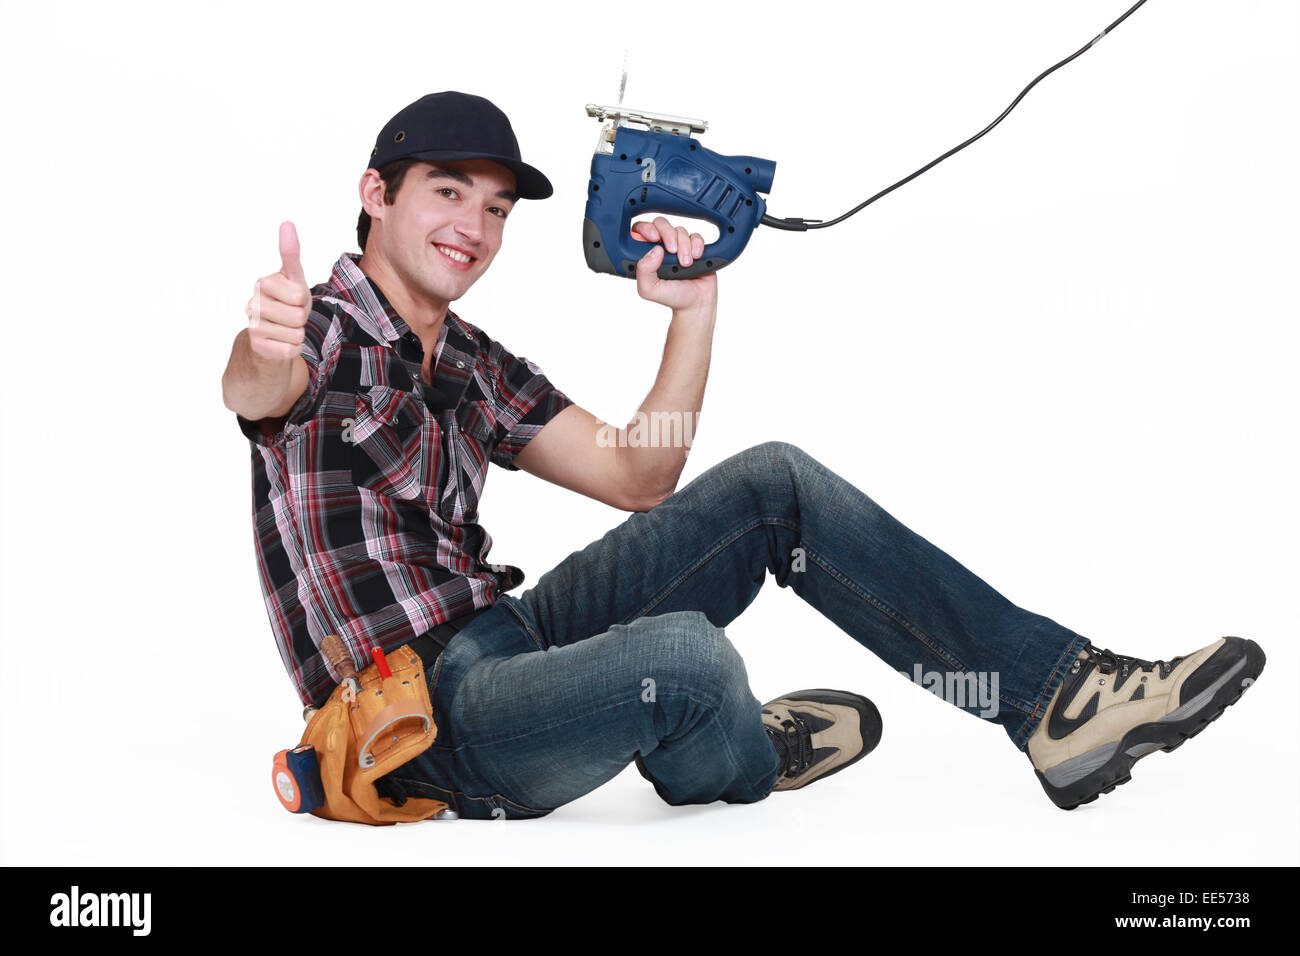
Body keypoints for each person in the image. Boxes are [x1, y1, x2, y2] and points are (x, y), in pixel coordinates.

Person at [222, 91, 1265, 819]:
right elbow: (253, 390)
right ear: (376, 191)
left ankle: (1053, 702)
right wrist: (263, 342)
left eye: (495, 206)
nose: (476, 225)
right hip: (424, 725)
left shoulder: (475, 362)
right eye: (448, 191)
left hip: (510, 638)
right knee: (682, 656)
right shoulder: (312, 329)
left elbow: (642, 472)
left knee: (775, 484)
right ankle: (739, 746)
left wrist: (692, 314)